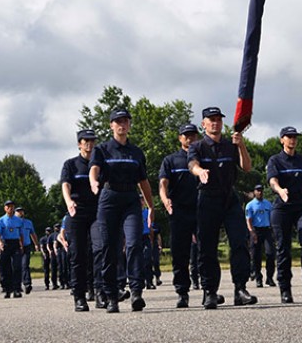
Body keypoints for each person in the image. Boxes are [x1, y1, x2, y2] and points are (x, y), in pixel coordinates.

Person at [188, 106, 257, 309]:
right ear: (204, 124)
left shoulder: (230, 145)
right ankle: (210, 291)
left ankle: (240, 289)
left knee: (239, 242)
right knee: (207, 247)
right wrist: (200, 171)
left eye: (218, 119)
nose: (215, 122)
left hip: (229, 199)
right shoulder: (198, 146)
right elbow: (192, 164)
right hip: (208, 199)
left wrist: (241, 145)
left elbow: (246, 167)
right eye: (211, 119)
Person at [90, 108, 154, 313]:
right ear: (111, 125)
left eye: (125, 121)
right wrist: (93, 181)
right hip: (109, 199)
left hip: (130, 201)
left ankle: (136, 292)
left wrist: (151, 207)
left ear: (129, 125)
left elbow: (143, 181)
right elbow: (94, 169)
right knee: (109, 248)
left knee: (135, 243)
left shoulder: (136, 152)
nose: (122, 124)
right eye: (118, 121)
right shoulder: (102, 149)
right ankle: (111, 296)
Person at [268, 126, 302, 303]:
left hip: (301, 207)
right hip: (282, 208)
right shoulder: (275, 160)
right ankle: (285, 289)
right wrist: (280, 190)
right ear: (282, 139)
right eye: (289, 137)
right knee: (283, 247)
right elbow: (272, 181)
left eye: (295, 137)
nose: (292, 140)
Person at [62, 128, 106, 311]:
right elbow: (65, 185)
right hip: (77, 212)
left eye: (92, 140)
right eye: (85, 140)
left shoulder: (100, 164)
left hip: (97, 212)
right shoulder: (71, 164)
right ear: (79, 144)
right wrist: (69, 201)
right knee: (78, 255)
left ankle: (100, 293)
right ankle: (79, 297)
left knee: (100, 249)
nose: (89, 144)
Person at [159, 123, 203, 308]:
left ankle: (209, 291)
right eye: (186, 135)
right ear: (180, 138)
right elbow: (163, 183)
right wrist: (165, 199)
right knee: (180, 253)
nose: (190, 138)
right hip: (179, 211)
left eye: (193, 135)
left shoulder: (204, 157)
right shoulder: (171, 160)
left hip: (202, 208)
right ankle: (182, 293)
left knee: (205, 252)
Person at [245, 184, 275, 288]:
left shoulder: (268, 204)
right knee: (256, 256)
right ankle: (258, 278)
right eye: (258, 190)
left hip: (266, 230)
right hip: (255, 230)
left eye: (261, 190)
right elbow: (248, 220)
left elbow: (272, 217)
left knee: (270, 253)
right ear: (254, 192)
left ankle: (270, 277)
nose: (260, 192)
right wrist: (252, 232)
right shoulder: (250, 205)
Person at [0, 200, 25, 298]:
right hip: (6, 244)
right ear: (5, 208)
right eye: (8, 206)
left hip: (15, 244)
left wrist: (21, 244)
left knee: (17, 266)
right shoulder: (1, 220)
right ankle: (7, 289)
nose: (10, 208)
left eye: (12, 206)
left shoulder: (18, 220)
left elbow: (21, 234)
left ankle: (17, 289)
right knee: (5, 267)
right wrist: (0, 243)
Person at [15, 207, 40, 294]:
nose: (20, 213)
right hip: (15, 247)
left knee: (25, 265)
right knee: (16, 266)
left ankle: (27, 283)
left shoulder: (28, 223)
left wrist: (36, 244)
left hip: (26, 246)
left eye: (21, 211)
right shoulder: (13, 223)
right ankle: (16, 285)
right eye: (18, 211)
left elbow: (32, 234)